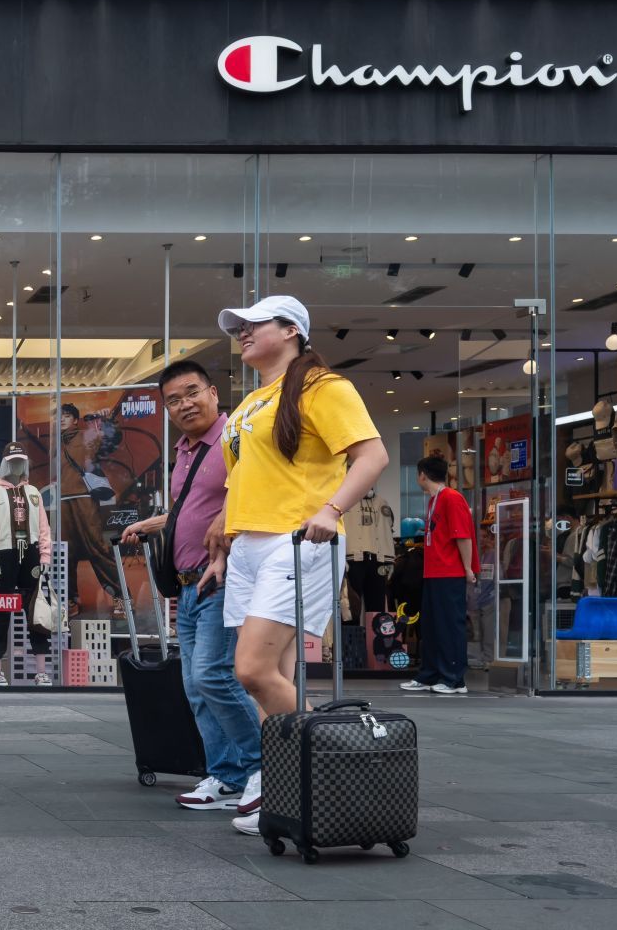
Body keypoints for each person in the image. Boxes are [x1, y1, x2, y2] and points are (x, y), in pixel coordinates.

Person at [199, 295, 388, 838]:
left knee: (251, 671)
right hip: (252, 547)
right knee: (270, 678)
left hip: (297, 539)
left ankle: (333, 768)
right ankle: (284, 781)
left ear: (291, 330)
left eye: (253, 325)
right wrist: (223, 546)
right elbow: (241, 483)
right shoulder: (254, 400)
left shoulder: (322, 388)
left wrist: (331, 511)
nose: (242, 333)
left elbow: (371, 455)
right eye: (239, 327)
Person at [119, 359, 260, 813]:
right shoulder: (184, 451)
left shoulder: (237, 438)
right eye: (173, 400)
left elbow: (251, 502)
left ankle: (262, 769)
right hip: (188, 586)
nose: (184, 404)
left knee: (213, 676)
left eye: (192, 392)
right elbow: (191, 509)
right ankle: (226, 776)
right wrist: (154, 522)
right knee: (195, 685)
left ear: (213, 392)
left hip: (221, 576)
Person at [399, 456, 477, 695]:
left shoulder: (452, 498)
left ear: (422, 474)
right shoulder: (435, 499)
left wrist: (467, 568)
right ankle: (430, 674)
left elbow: (462, 535)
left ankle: (454, 678)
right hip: (434, 571)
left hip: (450, 571)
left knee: (449, 625)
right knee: (431, 625)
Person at [58, 402, 124, 613]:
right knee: (65, 552)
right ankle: (69, 600)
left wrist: (108, 421)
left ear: (75, 420)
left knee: (97, 546)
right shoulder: (55, 443)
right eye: (59, 416)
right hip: (62, 501)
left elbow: (112, 441)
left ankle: (122, 596)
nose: (61, 419)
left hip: (84, 497)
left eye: (66, 416)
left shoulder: (86, 435)